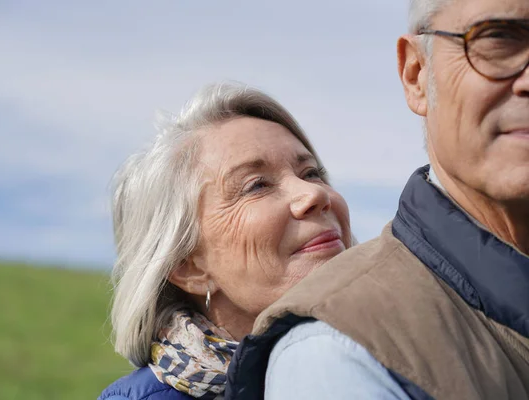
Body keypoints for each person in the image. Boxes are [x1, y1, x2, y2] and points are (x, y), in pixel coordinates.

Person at [225, 0, 529, 399]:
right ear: (416, 75)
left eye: (312, 172)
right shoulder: (336, 353)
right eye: (498, 38)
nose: (311, 197)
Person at [97, 82, 354, 400]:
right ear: (188, 266)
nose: (314, 193)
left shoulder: (400, 355)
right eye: (257, 185)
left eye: (311, 173)